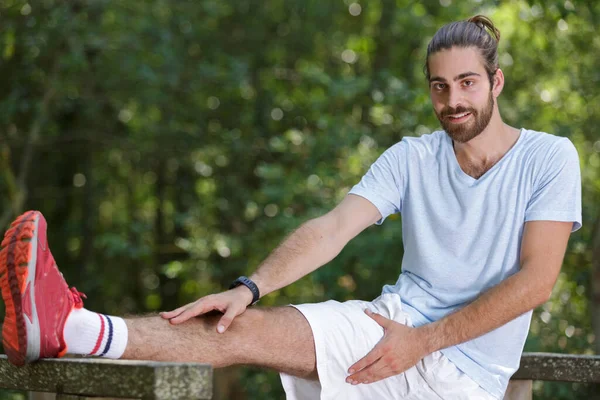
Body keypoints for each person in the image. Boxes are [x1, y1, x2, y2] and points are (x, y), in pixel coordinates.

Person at [0, 15, 581, 400]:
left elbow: (536, 282)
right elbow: (332, 229)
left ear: (496, 81)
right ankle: (67, 326)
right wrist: (250, 286)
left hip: (466, 375)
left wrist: (424, 343)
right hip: (386, 329)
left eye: (467, 83)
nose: (452, 100)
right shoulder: (411, 157)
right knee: (238, 327)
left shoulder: (549, 158)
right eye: (439, 86)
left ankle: (67, 326)